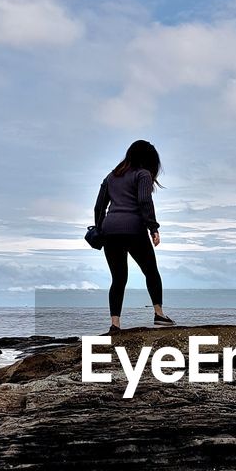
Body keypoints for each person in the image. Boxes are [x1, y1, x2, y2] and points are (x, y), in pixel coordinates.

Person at [93, 140, 174, 333]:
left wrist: (99, 228)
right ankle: (159, 315)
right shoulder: (142, 174)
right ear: (148, 159)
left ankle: (115, 325)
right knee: (151, 271)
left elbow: (99, 206)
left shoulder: (111, 176)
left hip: (110, 230)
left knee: (118, 279)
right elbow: (144, 201)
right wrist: (153, 227)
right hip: (134, 229)